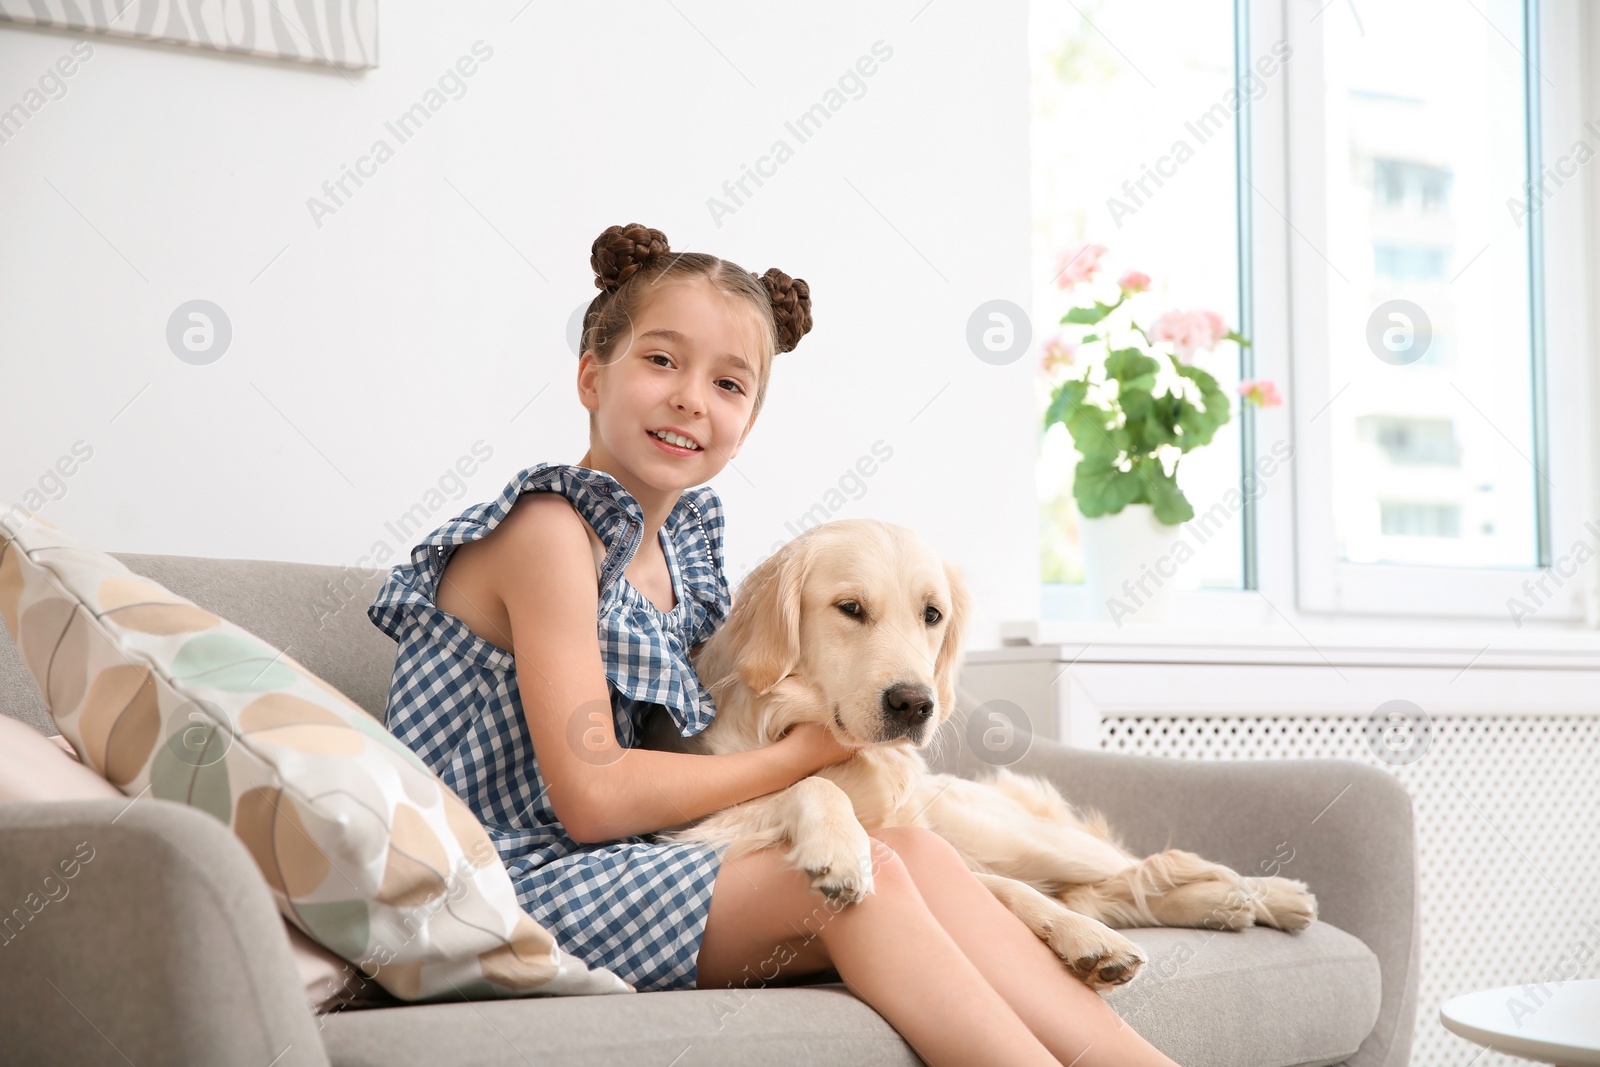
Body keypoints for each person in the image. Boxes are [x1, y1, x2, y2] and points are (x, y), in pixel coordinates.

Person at [366, 223, 1181, 1067]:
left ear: (748, 422)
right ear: (589, 375)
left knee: (913, 848)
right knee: (861, 880)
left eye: (728, 382)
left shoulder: (681, 553)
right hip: (497, 887)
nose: (691, 398)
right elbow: (595, 798)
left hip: (607, 868)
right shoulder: (549, 532)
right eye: (661, 360)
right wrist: (806, 757)